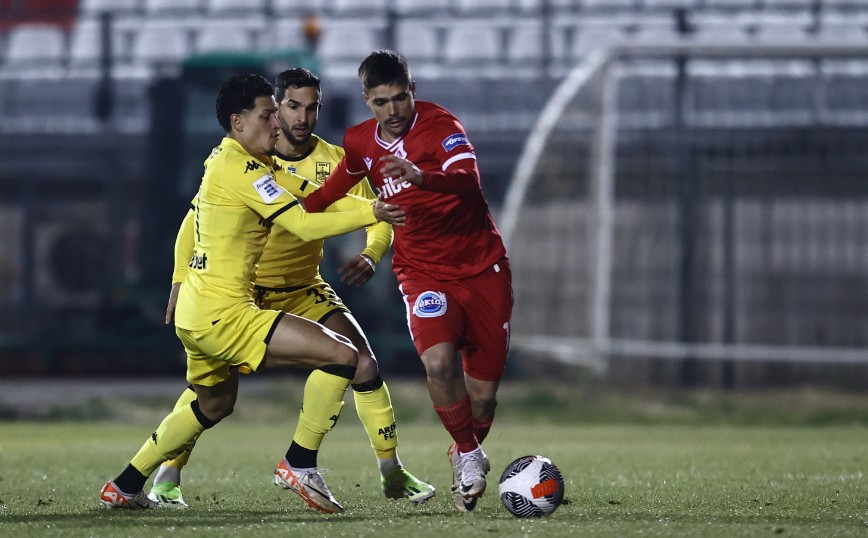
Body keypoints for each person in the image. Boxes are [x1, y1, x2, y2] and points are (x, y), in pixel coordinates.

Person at [98, 73, 402, 511]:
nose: (277, 124)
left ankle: (125, 485)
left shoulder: (242, 165)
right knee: (343, 355)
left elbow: (319, 199)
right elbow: (302, 223)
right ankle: (299, 463)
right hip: (226, 313)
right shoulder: (239, 169)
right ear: (238, 122)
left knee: (214, 403)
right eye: (267, 116)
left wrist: (377, 210)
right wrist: (373, 209)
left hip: (196, 314)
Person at [302, 50, 513, 512]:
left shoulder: (442, 127)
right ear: (367, 100)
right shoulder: (359, 142)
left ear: (412, 91)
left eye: (400, 98)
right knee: (438, 364)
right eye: (381, 102)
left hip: (482, 269)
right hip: (422, 273)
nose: (393, 111)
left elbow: (469, 181)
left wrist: (422, 176)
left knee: (483, 398)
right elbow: (335, 188)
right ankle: (471, 457)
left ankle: (464, 447)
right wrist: (289, 212)